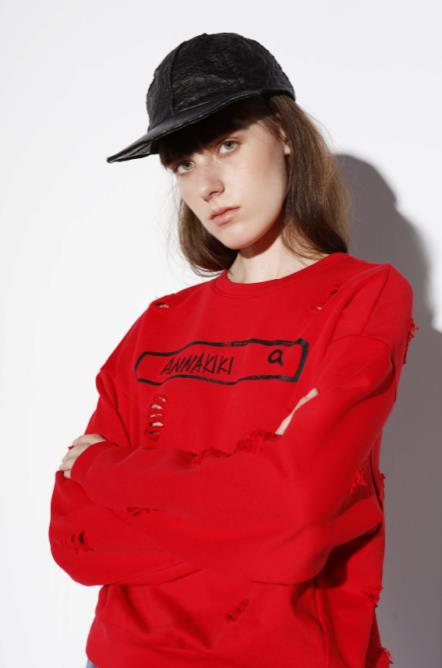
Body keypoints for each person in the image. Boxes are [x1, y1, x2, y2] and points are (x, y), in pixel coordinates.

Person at [48, 32, 419, 668]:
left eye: (227, 144)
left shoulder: (364, 295)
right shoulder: (159, 325)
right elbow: (77, 538)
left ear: (286, 135)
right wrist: (249, 512)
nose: (207, 186)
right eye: (183, 164)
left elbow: (295, 509)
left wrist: (105, 469)